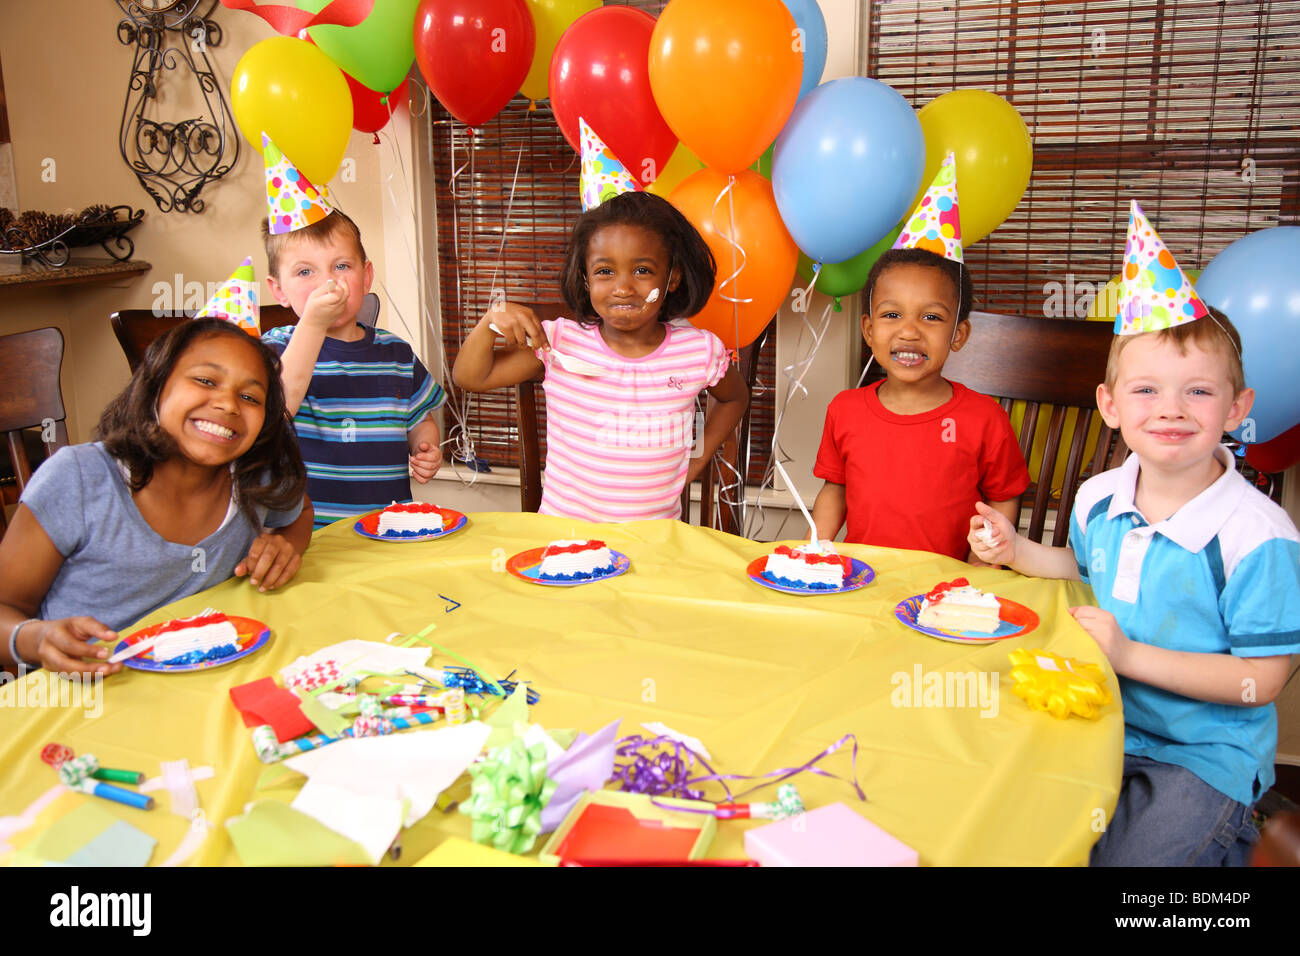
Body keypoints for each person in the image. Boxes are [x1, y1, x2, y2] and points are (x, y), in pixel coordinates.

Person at [970, 201, 1300, 865]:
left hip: (1204, 759)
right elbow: (1082, 567)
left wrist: (1129, 657)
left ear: (1237, 409)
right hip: (1103, 723)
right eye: (1147, 390)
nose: (1172, 409)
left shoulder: (1257, 536)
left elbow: (1263, 680)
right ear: (1111, 406)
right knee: (1006, 821)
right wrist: (1018, 553)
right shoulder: (1100, 498)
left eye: (1199, 393)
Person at [0, 319, 313, 676]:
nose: (228, 404)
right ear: (156, 386)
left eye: (249, 397)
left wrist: (288, 543)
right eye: (206, 380)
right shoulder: (80, 478)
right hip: (85, 698)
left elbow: (300, 510)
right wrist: (35, 640)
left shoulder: (254, 478)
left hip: (205, 690)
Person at [452, 191, 748, 521]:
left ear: (672, 278)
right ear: (585, 278)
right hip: (566, 536)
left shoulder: (698, 351)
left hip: (654, 541)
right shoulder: (558, 343)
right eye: (605, 271)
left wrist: (696, 458)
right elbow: (469, 378)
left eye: (642, 270)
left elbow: (734, 398)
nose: (623, 288)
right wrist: (489, 322)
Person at [811, 155, 1029, 559]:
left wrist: (989, 566)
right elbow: (835, 489)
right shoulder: (846, 409)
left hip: (945, 591)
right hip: (861, 579)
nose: (909, 331)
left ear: (958, 334)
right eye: (892, 315)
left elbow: (1003, 499)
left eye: (931, 317)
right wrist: (817, 550)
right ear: (869, 331)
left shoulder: (985, 419)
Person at [259, 139, 445, 530]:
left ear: (366, 277)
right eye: (305, 272)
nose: (329, 282)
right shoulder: (275, 349)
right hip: (307, 536)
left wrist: (424, 444)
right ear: (278, 290)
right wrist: (310, 325)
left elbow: (419, 418)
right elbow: (277, 411)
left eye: (342, 265)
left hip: (386, 526)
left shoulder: (394, 352)